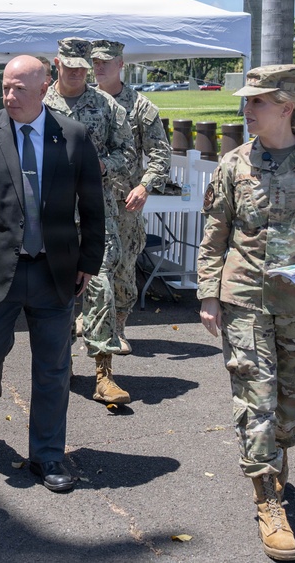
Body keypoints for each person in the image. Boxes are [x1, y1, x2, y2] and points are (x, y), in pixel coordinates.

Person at [197, 64, 295, 561]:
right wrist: (208, 293)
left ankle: (277, 452)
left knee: (290, 410)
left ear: (286, 107)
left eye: (257, 102)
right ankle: (267, 496)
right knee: (256, 398)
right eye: (247, 102)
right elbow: (215, 231)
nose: (247, 110)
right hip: (244, 297)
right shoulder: (233, 164)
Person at [0, 55, 105, 493]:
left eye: (20, 88)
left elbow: (92, 207)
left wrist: (89, 262)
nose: (10, 95)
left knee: (53, 368)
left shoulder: (72, 136)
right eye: (6, 88)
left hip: (55, 273)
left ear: (44, 87)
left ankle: (48, 454)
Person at [44, 38, 136, 404]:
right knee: (55, 289)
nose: (78, 73)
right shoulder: (39, 105)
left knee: (101, 290)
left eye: (83, 68)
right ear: (56, 64)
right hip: (52, 216)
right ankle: (59, 362)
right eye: (70, 67)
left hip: (98, 215)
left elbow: (127, 152)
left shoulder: (107, 106)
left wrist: (102, 165)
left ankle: (103, 374)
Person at [91, 40, 171, 354]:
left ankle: (119, 327)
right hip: (85, 201)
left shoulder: (141, 106)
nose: (99, 67)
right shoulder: (84, 101)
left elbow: (160, 155)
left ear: (121, 63)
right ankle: (83, 325)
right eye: (95, 62)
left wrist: (145, 186)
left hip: (123, 202)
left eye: (106, 62)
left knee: (123, 266)